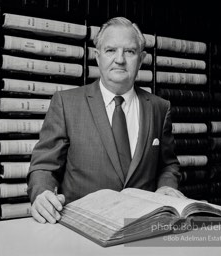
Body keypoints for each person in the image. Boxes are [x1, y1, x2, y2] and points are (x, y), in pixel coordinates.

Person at [27, 16, 184, 224]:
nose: (120, 59)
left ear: (142, 58)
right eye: (111, 50)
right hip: (82, 230)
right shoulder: (66, 103)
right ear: (97, 56)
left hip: (142, 228)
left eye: (129, 51)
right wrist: (41, 194)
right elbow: (44, 166)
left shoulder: (159, 108)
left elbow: (168, 164)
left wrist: (167, 186)